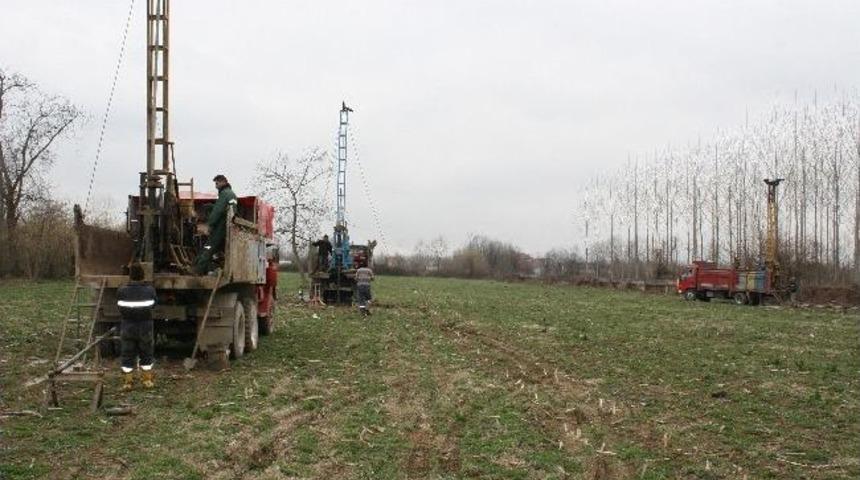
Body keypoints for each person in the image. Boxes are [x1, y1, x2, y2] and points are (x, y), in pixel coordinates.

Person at [117, 263, 158, 390]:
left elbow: (120, 307)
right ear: (142, 275)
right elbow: (154, 305)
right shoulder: (150, 290)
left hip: (128, 326)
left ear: (130, 276)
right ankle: (147, 380)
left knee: (127, 353)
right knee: (146, 352)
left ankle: (127, 382)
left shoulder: (122, 291)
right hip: (145, 326)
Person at [193, 174, 238, 274]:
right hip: (227, 225)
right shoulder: (231, 194)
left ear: (223, 182)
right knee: (210, 248)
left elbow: (217, 211)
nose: (216, 185)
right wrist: (210, 206)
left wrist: (209, 225)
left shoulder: (224, 194)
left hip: (220, 227)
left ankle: (197, 271)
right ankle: (205, 269)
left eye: (217, 183)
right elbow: (224, 208)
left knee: (208, 248)